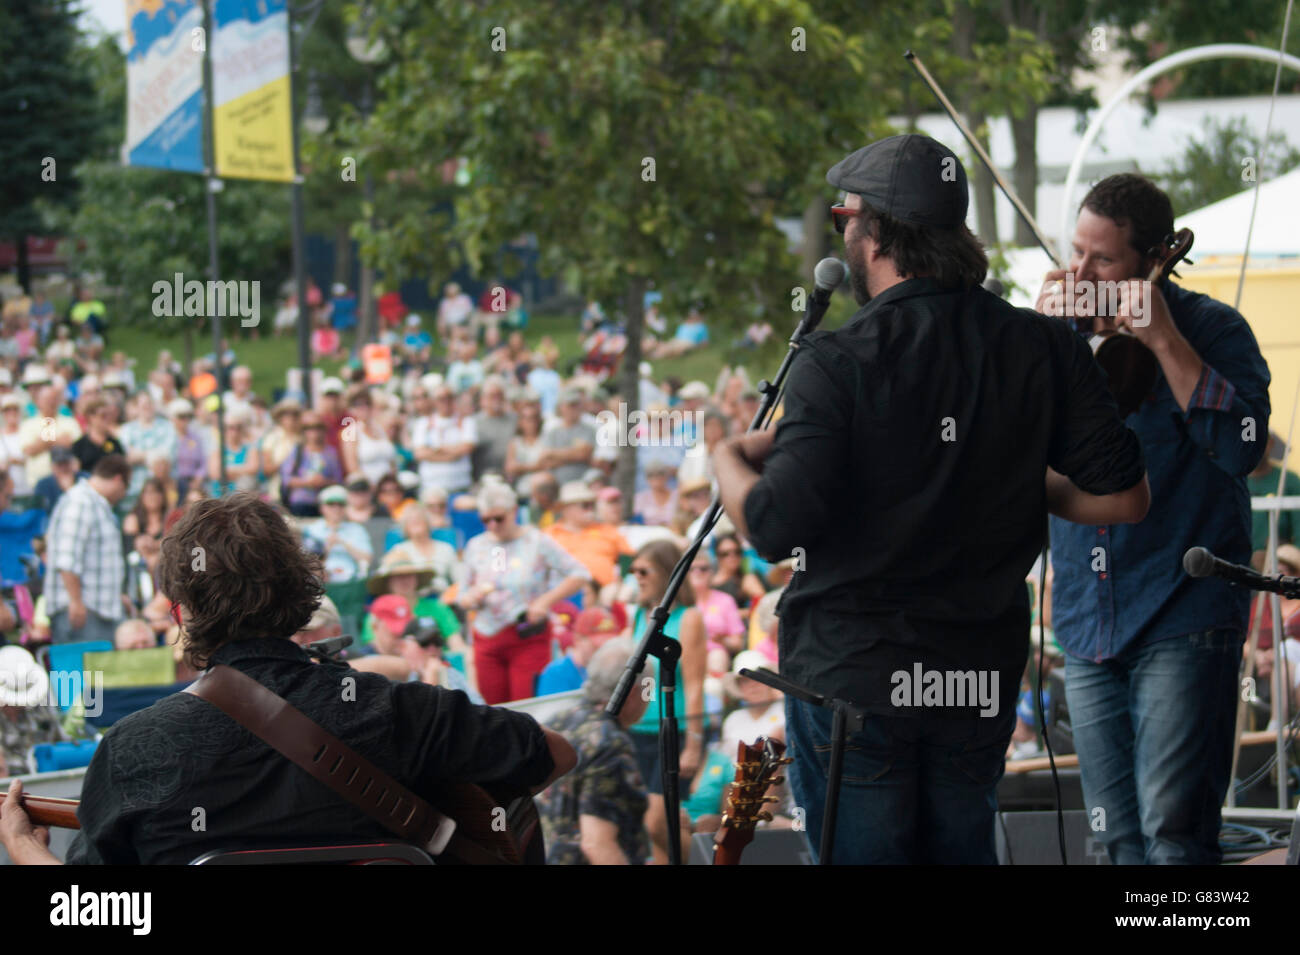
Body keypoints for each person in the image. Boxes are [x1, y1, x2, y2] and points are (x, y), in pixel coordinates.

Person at [712, 135, 1150, 864]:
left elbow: (771, 523)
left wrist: (725, 454)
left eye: (844, 216)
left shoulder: (837, 359)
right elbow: (1126, 496)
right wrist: (1010, 477)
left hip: (857, 678)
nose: (843, 232)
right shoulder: (1042, 347)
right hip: (972, 678)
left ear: (875, 231)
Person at [0, 492, 577, 865]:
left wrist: (24, 847)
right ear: (303, 590)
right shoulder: (402, 712)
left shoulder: (136, 749)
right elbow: (555, 754)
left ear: (180, 614)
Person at [1038, 172, 1270, 865]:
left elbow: (1242, 447)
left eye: (1101, 259)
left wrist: (1165, 341)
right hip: (1086, 615)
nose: (1080, 271)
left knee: (1174, 829)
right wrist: (1042, 342)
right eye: (1074, 251)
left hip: (1182, 611)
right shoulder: (1062, 334)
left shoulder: (1212, 328)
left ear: (1153, 261)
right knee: (1113, 839)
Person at [457, 478, 590, 704]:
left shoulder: (536, 541)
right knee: (494, 709)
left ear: (514, 511)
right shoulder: (477, 545)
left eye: (499, 518)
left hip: (526, 633)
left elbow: (579, 574)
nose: (493, 525)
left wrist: (544, 601)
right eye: (486, 519)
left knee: (526, 705)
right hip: (487, 634)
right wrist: (470, 598)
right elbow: (462, 594)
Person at [624, 539, 707, 864]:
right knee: (651, 828)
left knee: (658, 821)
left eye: (643, 571)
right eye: (633, 571)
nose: (637, 577)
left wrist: (694, 744)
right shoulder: (638, 616)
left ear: (664, 572)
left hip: (673, 729)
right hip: (637, 731)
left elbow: (696, 684)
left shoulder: (689, 618)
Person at [538, 637, 652, 865]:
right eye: (648, 690)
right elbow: (597, 843)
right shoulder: (610, 744)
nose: (650, 699)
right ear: (631, 693)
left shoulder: (558, 722)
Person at [44, 454, 133, 645]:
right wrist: (75, 601)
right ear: (118, 479)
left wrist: (116, 596)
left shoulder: (95, 504)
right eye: (126, 487)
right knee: (84, 674)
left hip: (97, 609)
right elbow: (66, 558)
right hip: (82, 612)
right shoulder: (80, 502)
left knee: (98, 674)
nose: (124, 494)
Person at [537, 606, 621, 696]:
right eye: (597, 646)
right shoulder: (556, 674)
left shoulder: (613, 670)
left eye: (609, 645)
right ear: (577, 640)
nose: (604, 650)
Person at [539, 387, 595, 485]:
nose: (573, 409)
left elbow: (583, 455)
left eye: (576, 405)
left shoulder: (588, 429)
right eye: (570, 405)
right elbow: (546, 460)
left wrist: (552, 453)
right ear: (561, 407)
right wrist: (574, 454)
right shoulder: (553, 431)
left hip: (582, 480)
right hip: (557, 482)